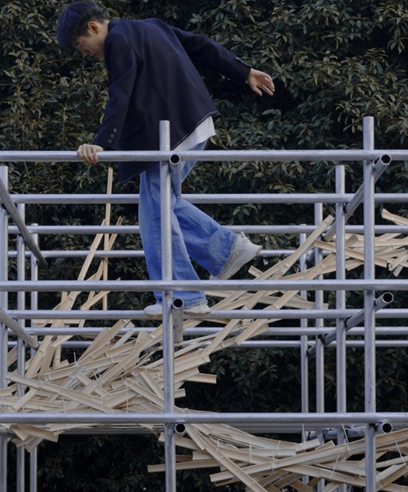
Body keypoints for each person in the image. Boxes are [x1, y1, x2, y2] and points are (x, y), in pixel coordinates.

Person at [57, 3, 275, 318]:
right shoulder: (151, 25)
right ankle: (227, 250)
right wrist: (243, 71)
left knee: (155, 213)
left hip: (172, 131)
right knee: (161, 206)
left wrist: (101, 143)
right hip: (191, 123)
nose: (85, 54)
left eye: (81, 46)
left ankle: (184, 295)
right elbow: (200, 45)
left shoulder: (119, 40)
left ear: (93, 28)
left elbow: (121, 93)